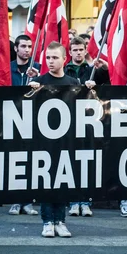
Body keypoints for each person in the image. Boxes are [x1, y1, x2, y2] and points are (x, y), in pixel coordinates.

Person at [29, 42, 82, 237]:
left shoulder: (73, 82)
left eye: (54, 57)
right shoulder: (40, 81)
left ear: (64, 59)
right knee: (46, 179)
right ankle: (47, 221)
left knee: (62, 180)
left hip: (66, 140)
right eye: (48, 58)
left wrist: (90, 88)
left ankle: (60, 220)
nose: (50, 61)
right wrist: (31, 90)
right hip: (44, 140)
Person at [62, 37, 109, 217]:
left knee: (88, 162)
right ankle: (74, 201)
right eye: (75, 50)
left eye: (81, 50)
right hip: (70, 121)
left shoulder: (92, 71)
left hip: (90, 120)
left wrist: (102, 73)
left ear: (85, 51)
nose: (78, 53)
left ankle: (86, 200)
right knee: (72, 162)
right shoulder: (64, 70)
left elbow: (108, 85)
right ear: (70, 52)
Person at [8, 34, 39, 216]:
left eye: (29, 46)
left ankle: (27, 202)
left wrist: (38, 78)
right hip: (12, 120)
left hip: (32, 122)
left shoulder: (37, 69)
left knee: (30, 162)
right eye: (24, 46)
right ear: (16, 48)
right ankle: (14, 200)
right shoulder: (7, 69)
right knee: (14, 162)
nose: (27, 50)